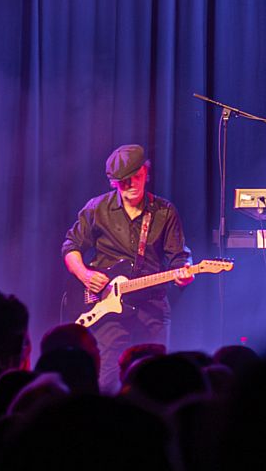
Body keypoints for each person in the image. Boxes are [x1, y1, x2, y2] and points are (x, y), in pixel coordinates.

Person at [61, 145, 194, 390]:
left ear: (146, 172)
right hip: (107, 308)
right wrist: (85, 274)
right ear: (113, 182)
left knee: (156, 380)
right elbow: (71, 247)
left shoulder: (165, 212)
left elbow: (179, 259)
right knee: (107, 378)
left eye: (135, 177)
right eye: (122, 181)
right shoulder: (97, 208)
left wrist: (184, 274)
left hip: (151, 306)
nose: (130, 185)